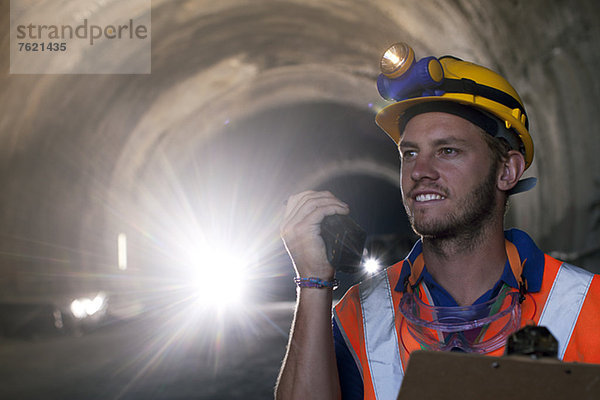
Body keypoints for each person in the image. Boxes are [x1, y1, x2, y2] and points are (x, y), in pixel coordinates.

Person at [275, 43, 600, 400]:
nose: (420, 171)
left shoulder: (589, 305)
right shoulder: (362, 313)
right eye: (410, 153)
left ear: (507, 170)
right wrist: (313, 283)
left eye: (447, 151)